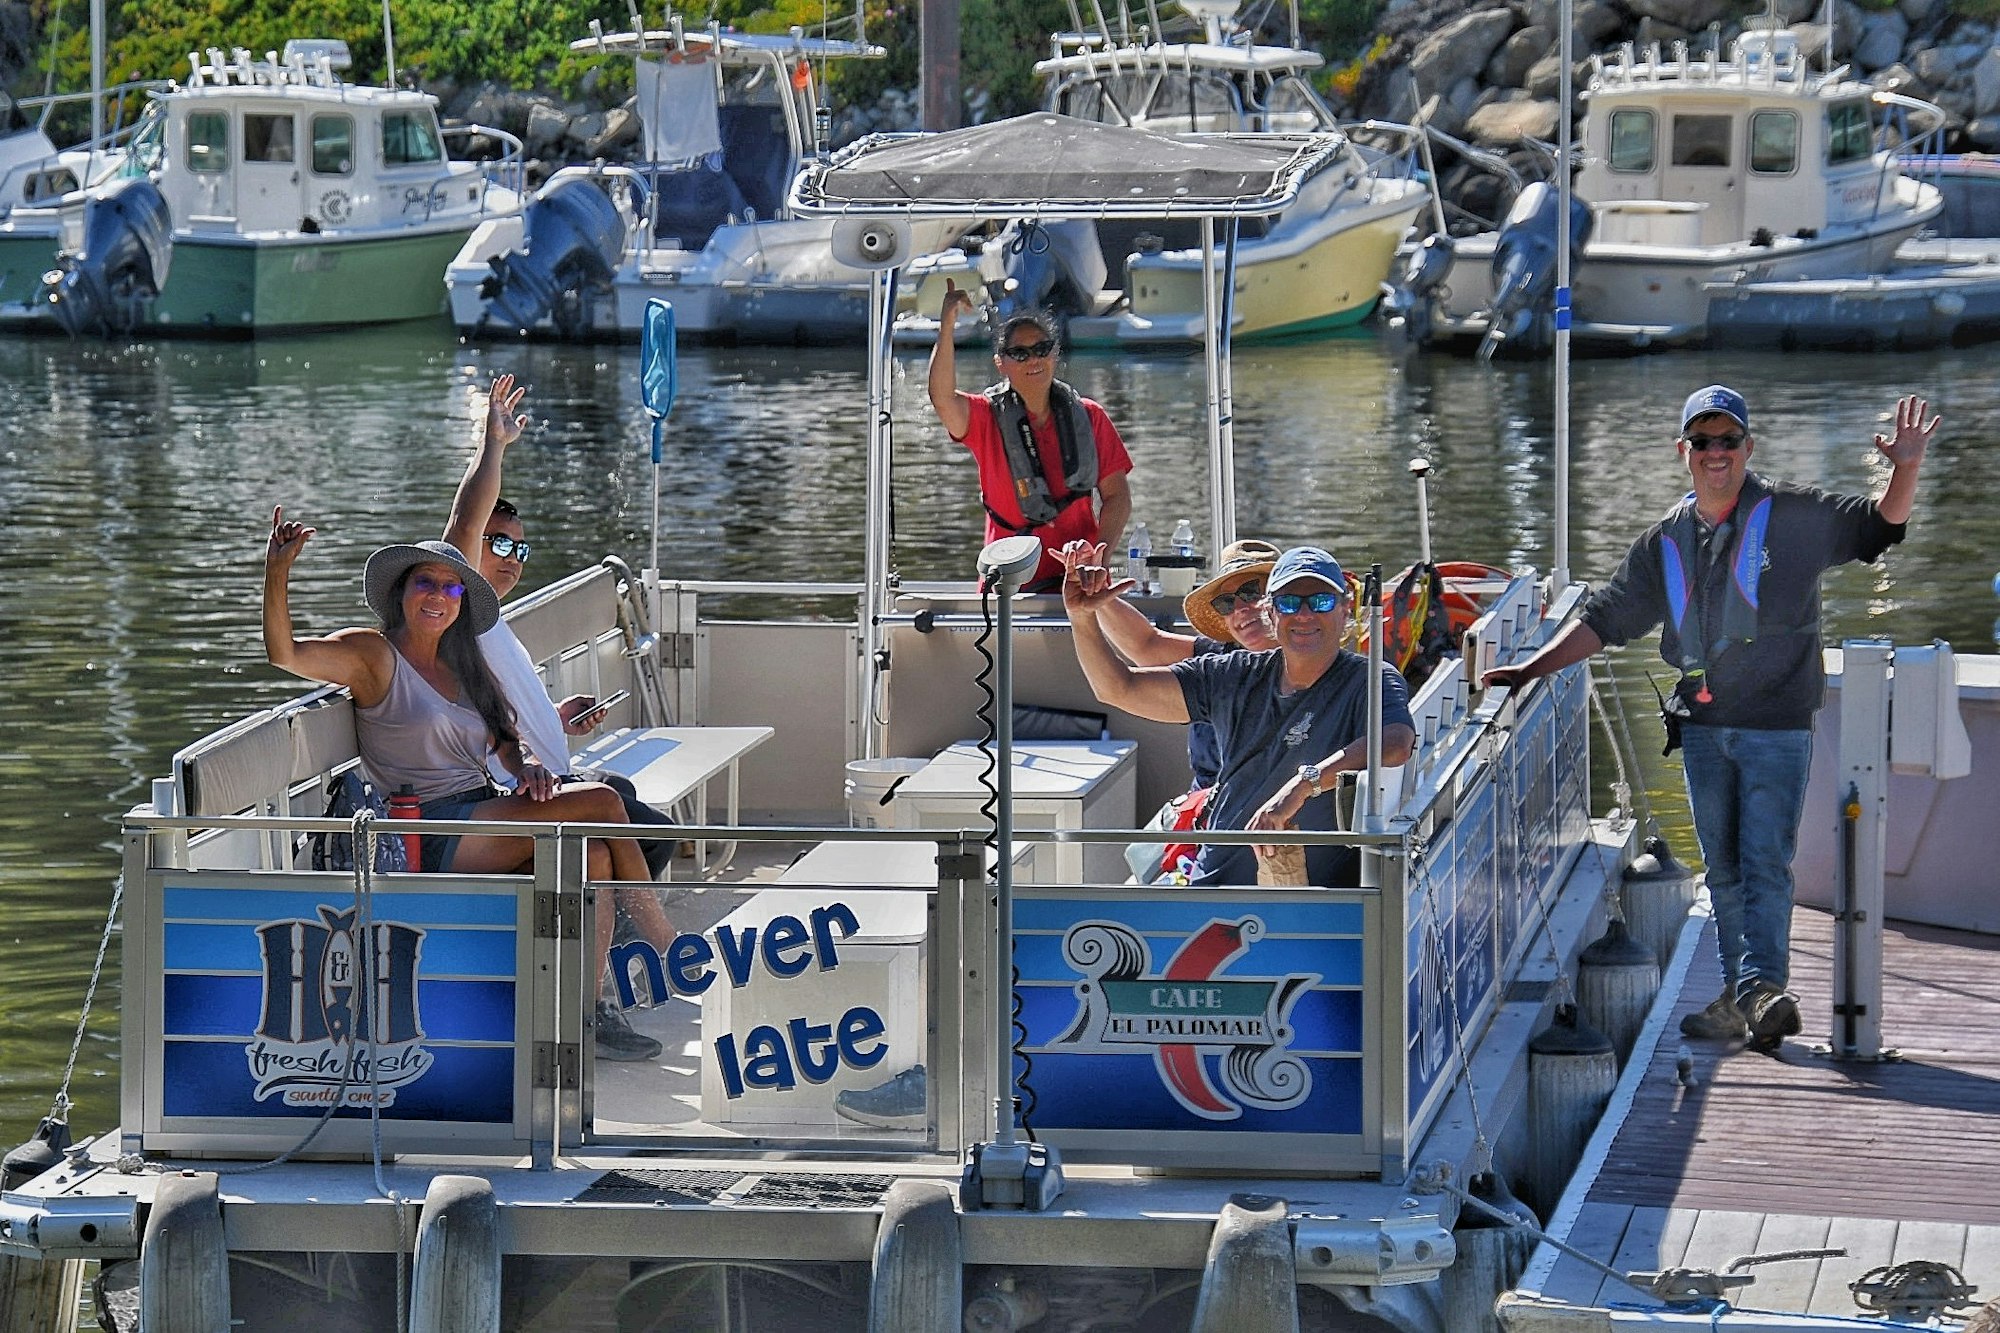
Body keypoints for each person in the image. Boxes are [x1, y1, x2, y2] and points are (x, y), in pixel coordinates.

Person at [1481, 386, 1939, 1047]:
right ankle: (1744, 994)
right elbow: (1605, 618)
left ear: (1749, 447)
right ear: (1683, 452)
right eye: (1703, 441)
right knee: (1720, 867)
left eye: (1728, 440)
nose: (1716, 453)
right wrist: (1528, 670)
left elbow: (1880, 526)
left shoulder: (1791, 516)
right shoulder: (1662, 540)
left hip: (1776, 726)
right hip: (1701, 727)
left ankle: (1764, 987)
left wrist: (1908, 466)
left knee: (1763, 860)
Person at [262, 510, 666, 1061]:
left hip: (480, 812)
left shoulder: (462, 664)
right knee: (602, 801)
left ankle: (589, 1013)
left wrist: (524, 768)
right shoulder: (374, 655)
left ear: (461, 602)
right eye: (424, 583)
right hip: (423, 830)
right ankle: (661, 939)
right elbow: (285, 654)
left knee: (592, 854)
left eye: (450, 586)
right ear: (402, 592)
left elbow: (501, 737)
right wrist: (278, 571)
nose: (437, 596)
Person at [441, 373, 679, 1059]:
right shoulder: (453, 605)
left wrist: (558, 717)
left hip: (540, 775)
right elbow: (460, 525)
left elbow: (502, 711)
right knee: (624, 828)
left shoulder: (489, 620)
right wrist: (493, 446)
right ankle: (635, 967)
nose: (512, 559)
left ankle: (609, 972)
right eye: (500, 543)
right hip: (506, 799)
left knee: (640, 817)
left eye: (521, 549)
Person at [1064, 543, 1416, 886]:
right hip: (1211, 888)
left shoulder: (1370, 678)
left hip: (1304, 906)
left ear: (1344, 609)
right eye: (1289, 603)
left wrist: (1302, 785)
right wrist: (1081, 617)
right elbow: (1118, 688)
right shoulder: (1232, 672)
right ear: (1272, 612)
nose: (1304, 615)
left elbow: (1396, 743)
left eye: (1321, 601)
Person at [929, 280, 1133, 591]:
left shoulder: (1090, 415)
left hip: (1080, 581)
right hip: (1010, 584)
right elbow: (942, 397)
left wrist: (1099, 556)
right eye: (1020, 353)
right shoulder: (985, 417)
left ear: (1054, 354)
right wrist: (947, 328)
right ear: (1001, 363)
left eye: (1041, 349)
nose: (1034, 359)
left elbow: (1117, 496)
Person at [1059, 536, 1281, 787]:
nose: (1239, 608)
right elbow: (1145, 647)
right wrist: (1092, 597)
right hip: (1209, 807)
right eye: (1226, 603)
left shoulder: (1322, 667)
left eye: (1250, 592)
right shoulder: (1216, 667)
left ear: (1282, 596)